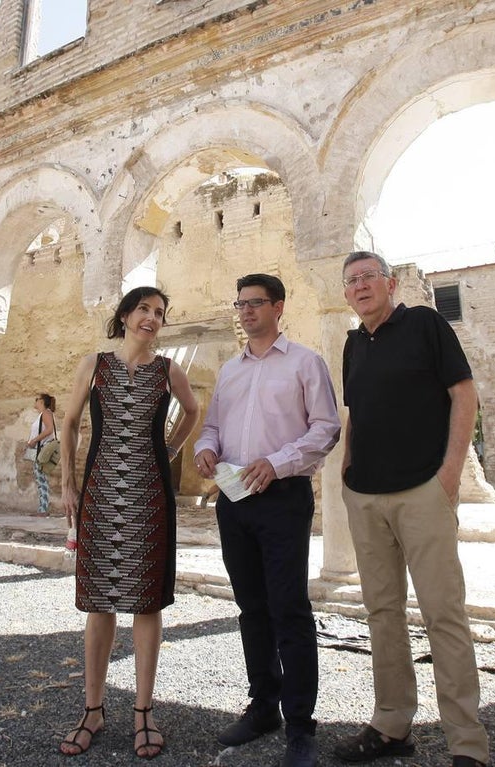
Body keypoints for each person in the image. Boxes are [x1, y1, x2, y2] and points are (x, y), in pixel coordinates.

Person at [334, 252, 490, 767]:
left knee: (443, 614)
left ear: (390, 283)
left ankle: (467, 745)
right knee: (382, 614)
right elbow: (357, 411)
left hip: (423, 489)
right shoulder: (353, 344)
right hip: (367, 495)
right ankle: (392, 723)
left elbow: (464, 395)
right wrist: (349, 468)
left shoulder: (424, 323)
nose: (360, 286)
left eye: (368, 277)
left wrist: (448, 475)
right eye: (351, 280)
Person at [193, 273, 340, 767]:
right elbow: (210, 425)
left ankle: (301, 726)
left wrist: (276, 463)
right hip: (234, 500)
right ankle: (263, 708)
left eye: (256, 303)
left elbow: (326, 428)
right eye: (241, 304)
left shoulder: (305, 363)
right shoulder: (230, 371)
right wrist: (206, 448)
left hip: (282, 497)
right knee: (251, 608)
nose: (246, 311)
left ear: (279, 307)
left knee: (289, 610)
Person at [57, 286, 199, 759]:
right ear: (125, 314)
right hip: (100, 493)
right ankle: (92, 710)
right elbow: (70, 422)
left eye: (160, 312)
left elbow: (193, 412)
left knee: (146, 602)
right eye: (144, 309)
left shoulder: (167, 370)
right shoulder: (94, 365)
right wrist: (68, 484)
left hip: (150, 494)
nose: (152, 318)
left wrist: (170, 452)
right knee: (99, 602)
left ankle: (143, 711)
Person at [25, 393, 57, 516]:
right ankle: (42, 508)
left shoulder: (46, 413)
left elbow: (49, 430)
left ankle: (43, 510)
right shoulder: (43, 414)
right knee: (41, 478)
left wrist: (34, 440)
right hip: (41, 449)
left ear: (42, 401)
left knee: (41, 479)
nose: (35, 401)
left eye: (36, 399)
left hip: (42, 450)